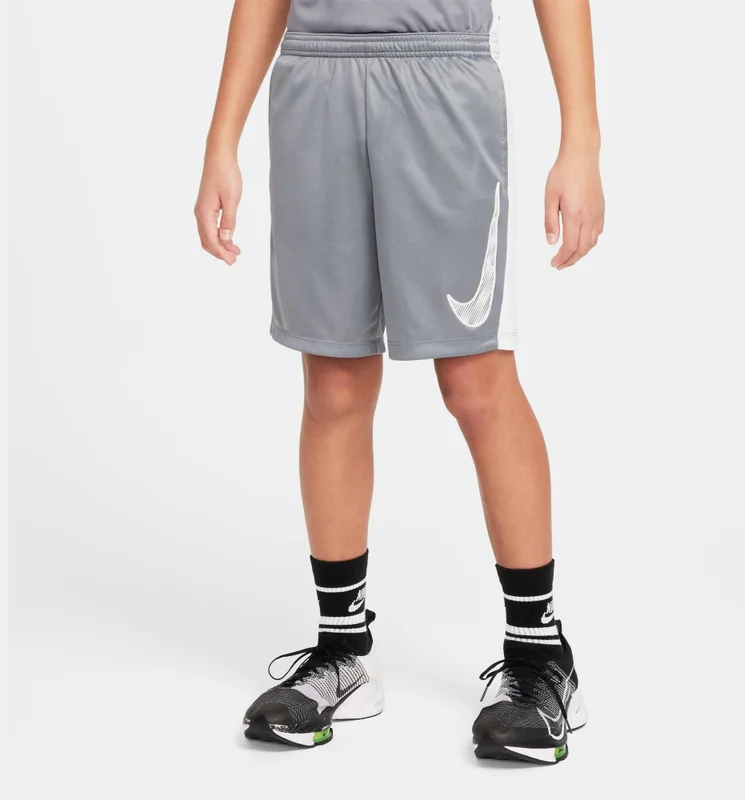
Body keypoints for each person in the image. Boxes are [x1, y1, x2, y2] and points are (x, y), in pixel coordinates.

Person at [195, 0, 604, 765]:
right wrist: (223, 139)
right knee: (333, 384)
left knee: (475, 380)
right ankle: (342, 648)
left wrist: (580, 136)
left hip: (441, 74)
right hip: (314, 81)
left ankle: (540, 655)